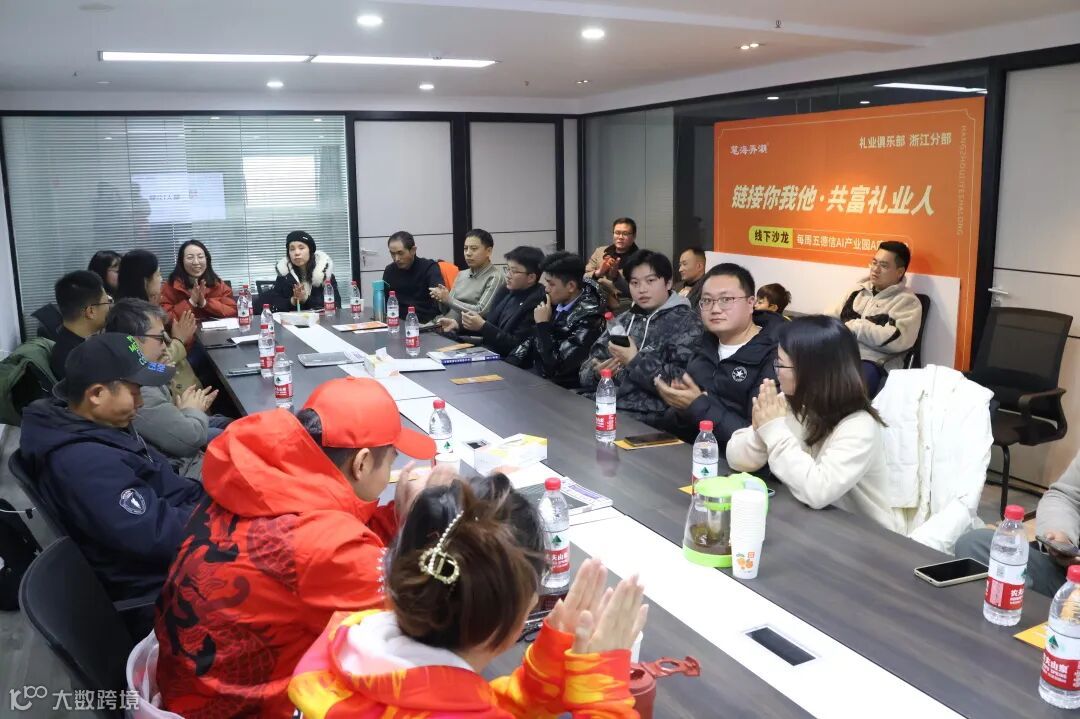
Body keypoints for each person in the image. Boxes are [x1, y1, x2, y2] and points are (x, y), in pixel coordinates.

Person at [155, 377, 444, 719]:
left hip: (191, 689)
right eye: (391, 459)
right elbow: (423, 621)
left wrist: (400, 517)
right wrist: (432, 525)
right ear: (362, 463)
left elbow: (342, 545)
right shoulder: (325, 543)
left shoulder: (260, 483)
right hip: (251, 709)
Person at [289, 477, 647, 718]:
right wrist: (602, 693)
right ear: (516, 617)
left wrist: (546, 671)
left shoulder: (344, 644)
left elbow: (466, 706)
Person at [19, 333, 204, 601]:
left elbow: (165, 484)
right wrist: (220, 521)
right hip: (166, 585)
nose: (140, 402)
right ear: (97, 394)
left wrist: (213, 498)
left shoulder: (97, 426)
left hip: (178, 539)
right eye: (135, 392)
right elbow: (157, 535)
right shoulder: (85, 464)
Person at [726, 316, 899, 531]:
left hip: (865, 536)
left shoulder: (860, 426)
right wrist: (761, 432)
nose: (776, 371)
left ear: (811, 372)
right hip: (810, 525)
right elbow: (736, 458)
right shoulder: (790, 402)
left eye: (781, 364)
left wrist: (773, 431)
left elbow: (817, 491)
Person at [654, 263, 783, 445]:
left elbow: (758, 439)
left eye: (726, 299)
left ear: (750, 303)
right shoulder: (704, 344)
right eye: (707, 301)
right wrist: (680, 406)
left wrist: (697, 405)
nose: (715, 309)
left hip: (734, 460)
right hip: (686, 451)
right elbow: (679, 423)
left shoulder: (777, 355)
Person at [580, 250, 703, 427]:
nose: (642, 289)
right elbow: (585, 370)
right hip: (601, 405)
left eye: (650, 281)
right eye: (634, 283)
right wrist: (597, 374)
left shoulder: (688, 323)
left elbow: (678, 385)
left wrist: (634, 360)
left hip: (645, 418)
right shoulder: (623, 320)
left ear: (668, 282)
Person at [105, 299, 223, 479]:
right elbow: (188, 439)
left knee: (233, 425)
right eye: (160, 339)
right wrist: (192, 410)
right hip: (185, 471)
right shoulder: (138, 390)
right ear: (134, 341)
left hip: (183, 442)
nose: (165, 346)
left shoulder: (142, 371)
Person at [957, 452, 1080, 598]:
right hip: (1069, 574)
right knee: (974, 543)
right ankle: (1020, 603)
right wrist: (1062, 536)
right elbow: (1066, 497)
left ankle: (1027, 605)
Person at [827, 241, 923, 394]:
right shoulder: (857, 291)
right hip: (840, 353)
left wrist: (856, 327)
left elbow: (896, 340)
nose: (875, 269)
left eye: (883, 265)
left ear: (899, 272)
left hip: (874, 363)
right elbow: (830, 317)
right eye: (874, 262)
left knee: (847, 390)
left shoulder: (907, 302)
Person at [507, 251, 604, 389]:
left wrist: (542, 326)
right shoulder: (554, 301)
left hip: (564, 388)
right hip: (539, 377)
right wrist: (509, 363)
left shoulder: (590, 318)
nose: (546, 289)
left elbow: (558, 368)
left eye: (551, 284)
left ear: (571, 286)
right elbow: (530, 341)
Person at [438, 246, 547, 357]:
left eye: (514, 271)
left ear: (531, 277)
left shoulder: (537, 301)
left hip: (507, 359)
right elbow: (490, 324)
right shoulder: (505, 290)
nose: (508, 275)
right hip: (488, 349)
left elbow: (516, 345)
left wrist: (483, 326)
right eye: (507, 269)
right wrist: (458, 325)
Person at [49, 270, 112, 380]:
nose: (110, 307)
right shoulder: (79, 361)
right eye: (107, 302)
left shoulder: (66, 345)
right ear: (90, 311)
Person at [432, 229, 501, 326]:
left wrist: (448, 300)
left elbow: (481, 311)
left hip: (467, 330)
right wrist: (441, 298)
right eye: (465, 248)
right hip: (446, 323)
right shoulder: (461, 274)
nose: (468, 253)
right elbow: (449, 307)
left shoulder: (495, 277)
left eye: (474, 249)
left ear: (488, 251)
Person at [161, 240, 237, 323]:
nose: (196, 262)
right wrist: (191, 302)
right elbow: (164, 319)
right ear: (181, 261)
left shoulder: (218, 284)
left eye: (200, 257)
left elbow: (233, 311)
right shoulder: (170, 286)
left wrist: (205, 303)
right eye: (190, 258)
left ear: (207, 259)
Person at [264, 230, 340, 312]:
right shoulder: (284, 275)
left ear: (310, 250)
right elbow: (274, 305)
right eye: (292, 249)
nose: (296, 253)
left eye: (301, 248)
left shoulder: (324, 274)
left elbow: (336, 305)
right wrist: (293, 301)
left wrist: (306, 299)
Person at [381, 230, 444, 322]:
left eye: (400, 253)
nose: (396, 258)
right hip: (397, 322)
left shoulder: (429, 268)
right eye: (392, 254)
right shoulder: (389, 270)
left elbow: (439, 300)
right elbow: (385, 302)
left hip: (424, 322)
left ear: (413, 250)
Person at [585, 218, 640, 313]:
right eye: (617, 233)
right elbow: (582, 278)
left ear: (634, 236)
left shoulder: (640, 259)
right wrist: (598, 273)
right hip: (595, 302)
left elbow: (637, 290)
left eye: (625, 234)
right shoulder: (600, 252)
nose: (620, 237)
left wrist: (616, 277)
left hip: (623, 305)